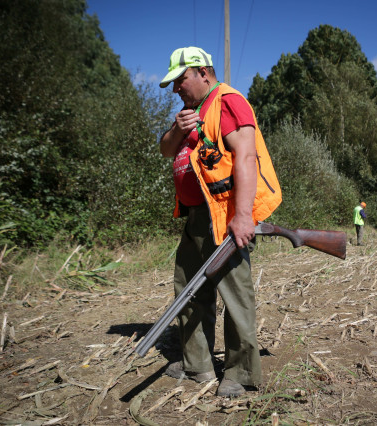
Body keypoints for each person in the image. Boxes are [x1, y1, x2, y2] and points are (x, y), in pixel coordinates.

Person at [158, 47, 282, 397]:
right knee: (190, 290)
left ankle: (240, 374)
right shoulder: (189, 112)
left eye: (180, 80)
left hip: (225, 216)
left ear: (202, 72)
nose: (175, 89)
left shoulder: (227, 100)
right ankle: (196, 364)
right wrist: (177, 131)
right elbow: (166, 150)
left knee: (234, 292)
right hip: (196, 216)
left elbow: (245, 157)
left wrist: (243, 217)